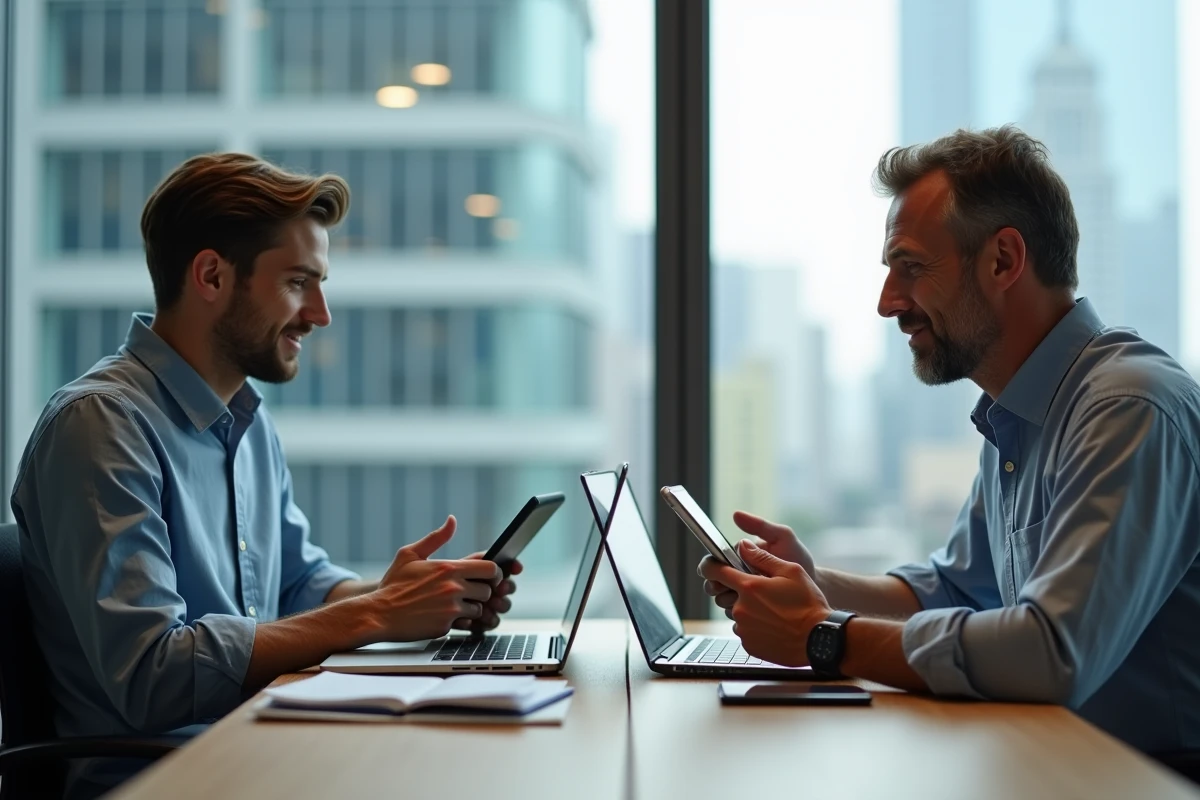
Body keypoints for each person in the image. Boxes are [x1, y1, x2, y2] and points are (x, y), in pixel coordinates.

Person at [11, 154, 519, 798]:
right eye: (298, 283)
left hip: (258, 751)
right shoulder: (100, 425)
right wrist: (375, 616)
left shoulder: (249, 422)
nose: (320, 313)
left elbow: (300, 585)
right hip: (162, 780)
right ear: (212, 275)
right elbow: (151, 676)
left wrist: (413, 596)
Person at [699, 125, 1200, 753]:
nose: (887, 303)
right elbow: (955, 590)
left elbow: (1051, 653)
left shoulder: (1128, 409)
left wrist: (822, 633)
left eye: (911, 268)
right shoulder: (1015, 414)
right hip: (1053, 770)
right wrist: (814, 581)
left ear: (1003, 260)